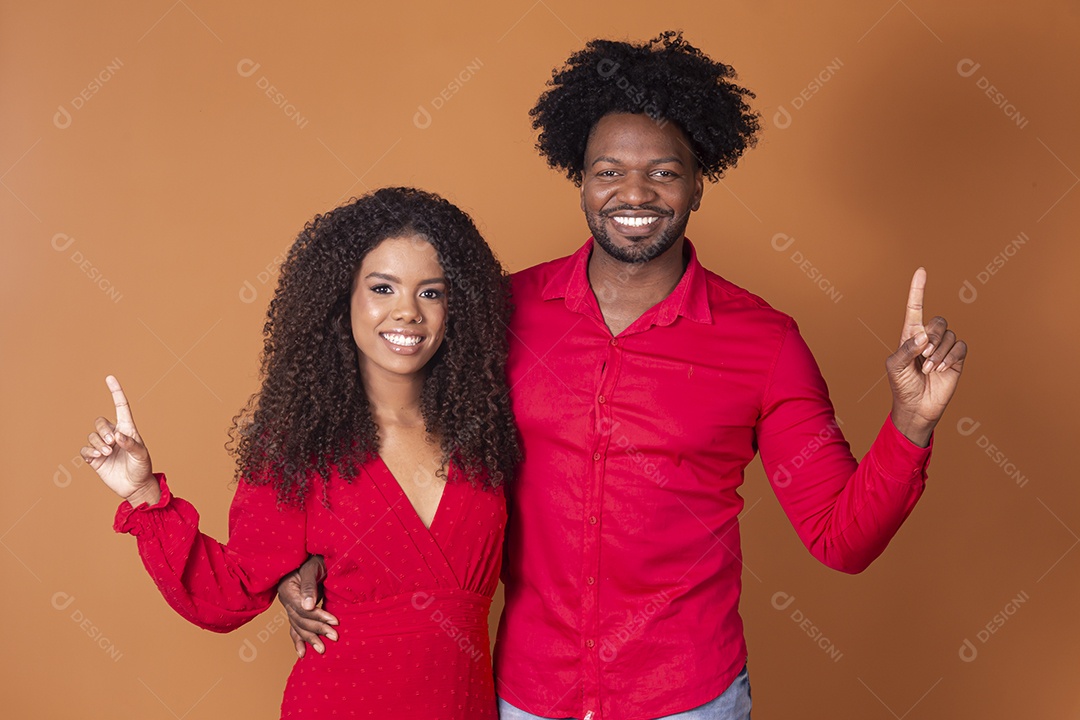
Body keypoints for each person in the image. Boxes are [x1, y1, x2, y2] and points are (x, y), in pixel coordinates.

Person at [279, 32, 967, 720]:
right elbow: (386, 429)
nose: (634, 192)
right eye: (608, 171)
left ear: (699, 183)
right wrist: (305, 555)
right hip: (528, 695)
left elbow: (840, 540)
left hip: (690, 698)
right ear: (580, 180)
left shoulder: (765, 343)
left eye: (664, 172)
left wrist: (913, 420)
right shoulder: (500, 311)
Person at [81, 187, 520, 719]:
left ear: (458, 306)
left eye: (432, 293)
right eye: (383, 287)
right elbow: (228, 593)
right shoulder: (300, 441)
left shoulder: (487, 433)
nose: (407, 312)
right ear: (343, 298)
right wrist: (145, 495)